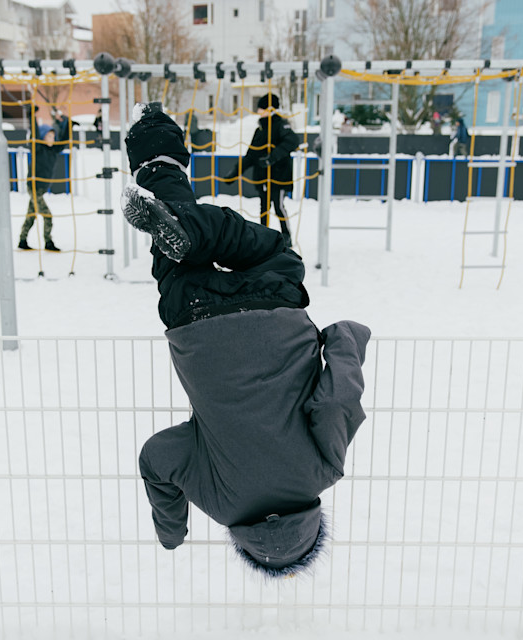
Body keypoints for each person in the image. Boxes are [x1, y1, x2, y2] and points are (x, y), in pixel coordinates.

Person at [122, 102, 371, 577]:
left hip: (274, 309)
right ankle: (156, 155)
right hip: (194, 324)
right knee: (177, 254)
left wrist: (347, 340)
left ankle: (192, 232)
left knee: (272, 250)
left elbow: (338, 399)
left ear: (313, 525)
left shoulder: (323, 472)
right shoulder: (218, 499)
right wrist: (170, 527)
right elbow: (157, 457)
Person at [225, 93, 299, 248]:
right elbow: (251, 155)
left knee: (278, 205)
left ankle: (286, 235)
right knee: (263, 206)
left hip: (278, 176)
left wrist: (272, 158)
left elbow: (292, 141)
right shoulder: (260, 129)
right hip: (262, 176)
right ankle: (263, 235)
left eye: (261, 107)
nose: (258, 110)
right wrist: (234, 173)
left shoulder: (281, 125)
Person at [18, 106, 70, 252]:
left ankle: (22, 240)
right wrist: (31, 115)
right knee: (47, 216)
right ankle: (48, 242)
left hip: (42, 187)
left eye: (53, 136)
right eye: (48, 136)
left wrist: (68, 124)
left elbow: (65, 140)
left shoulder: (53, 150)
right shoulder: (38, 149)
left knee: (31, 215)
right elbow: (34, 133)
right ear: (42, 137)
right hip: (34, 187)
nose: (52, 139)